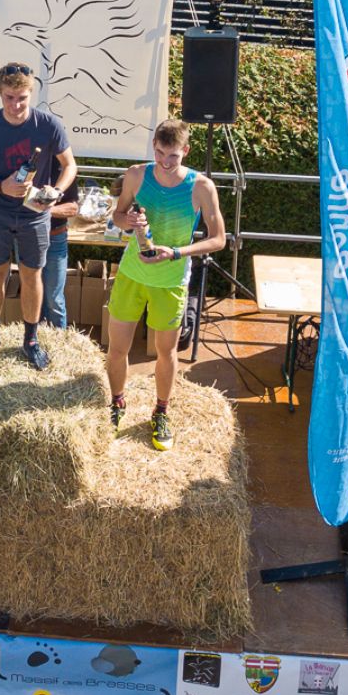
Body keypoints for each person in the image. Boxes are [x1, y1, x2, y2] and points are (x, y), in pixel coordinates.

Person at [105, 120, 228, 452]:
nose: (165, 162)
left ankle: (161, 412)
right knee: (117, 348)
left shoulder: (201, 187)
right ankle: (117, 403)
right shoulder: (135, 175)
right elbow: (117, 216)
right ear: (154, 148)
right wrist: (128, 221)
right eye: (160, 153)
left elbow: (218, 240)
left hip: (171, 281)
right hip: (131, 275)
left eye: (172, 156)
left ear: (185, 151)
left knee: (166, 352)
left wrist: (175, 252)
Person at [0, 62, 77, 371]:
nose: (15, 105)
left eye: (22, 98)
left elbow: (70, 166)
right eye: (9, 98)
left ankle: (31, 340)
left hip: (35, 215)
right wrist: (1, 185)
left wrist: (56, 191)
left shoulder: (48, 124)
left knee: (31, 275)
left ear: (31, 93)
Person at [38, 180, 82, 330]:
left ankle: (58, 340)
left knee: (54, 298)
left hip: (55, 237)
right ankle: (32, 337)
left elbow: (73, 208)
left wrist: (43, 209)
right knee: (32, 294)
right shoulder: (24, 169)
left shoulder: (65, 172)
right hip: (27, 239)